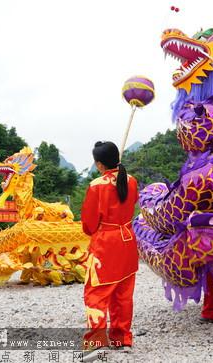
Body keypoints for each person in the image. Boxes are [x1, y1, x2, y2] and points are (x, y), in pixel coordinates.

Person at [80, 141, 139, 360]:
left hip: (106, 244)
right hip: (127, 241)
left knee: (96, 293)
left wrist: (93, 231)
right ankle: (121, 338)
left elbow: (88, 222)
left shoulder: (97, 185)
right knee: (123, 294)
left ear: (99, 164)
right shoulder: (131, 181)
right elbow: (132, 201)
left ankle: (96, 342)